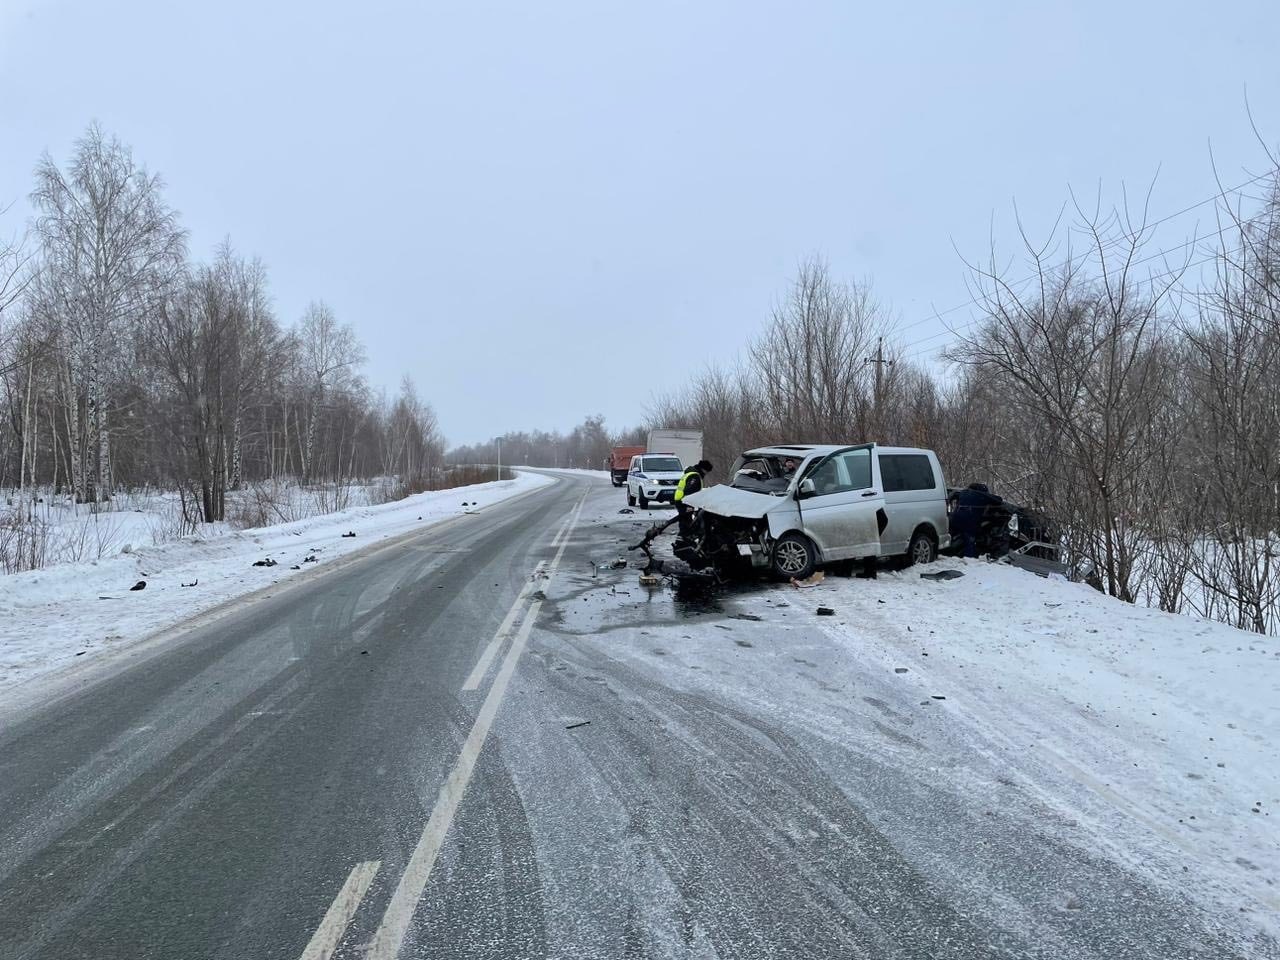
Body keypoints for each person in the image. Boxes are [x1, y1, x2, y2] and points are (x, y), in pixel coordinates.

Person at [948, 482, 1004, 558]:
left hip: (954, 519)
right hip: (969, 523)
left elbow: (952, 495)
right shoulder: (983, 495)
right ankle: (969, 558)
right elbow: (999, 500)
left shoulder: (963, 492)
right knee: (969, 540)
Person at [674, 459, 713, 531]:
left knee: (685, 519)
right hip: (684, 501)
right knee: (685, 521)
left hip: (681, 500)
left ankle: (683, 536)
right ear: (703, 469)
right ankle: (682, 537)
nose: (706, 474)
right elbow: (689, 490)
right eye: (706, 471)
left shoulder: (691, 473)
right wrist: (688, 505)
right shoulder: (694, 476)